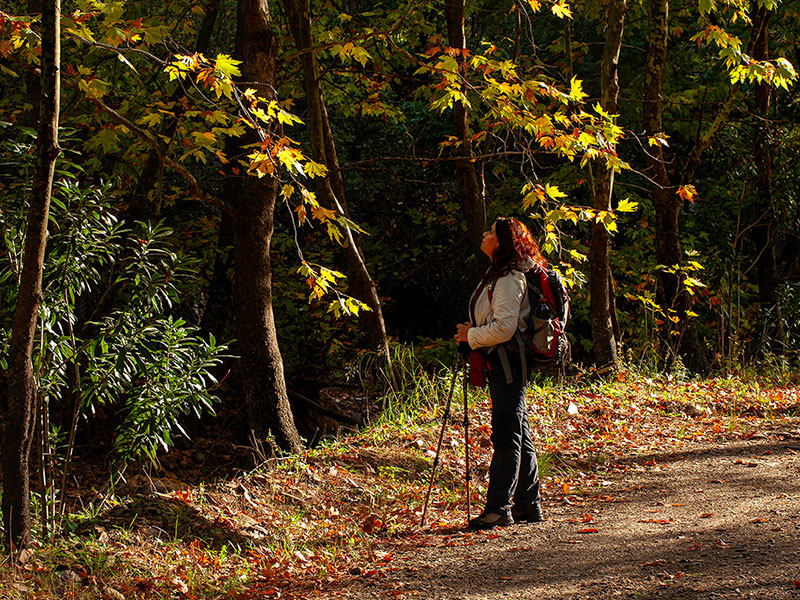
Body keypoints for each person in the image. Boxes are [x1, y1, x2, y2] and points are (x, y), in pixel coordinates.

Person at [454, 217, 544, 530]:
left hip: (508, 362)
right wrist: (474, 334)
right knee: (520, 434)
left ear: (502, 242)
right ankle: (527, 506)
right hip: (506, 363)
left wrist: (471, 336)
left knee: (506, 436)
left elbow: (505, 328)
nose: (484, 234)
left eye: (490, 232)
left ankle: (498, 509)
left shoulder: (508, 278)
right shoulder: (502, 274)